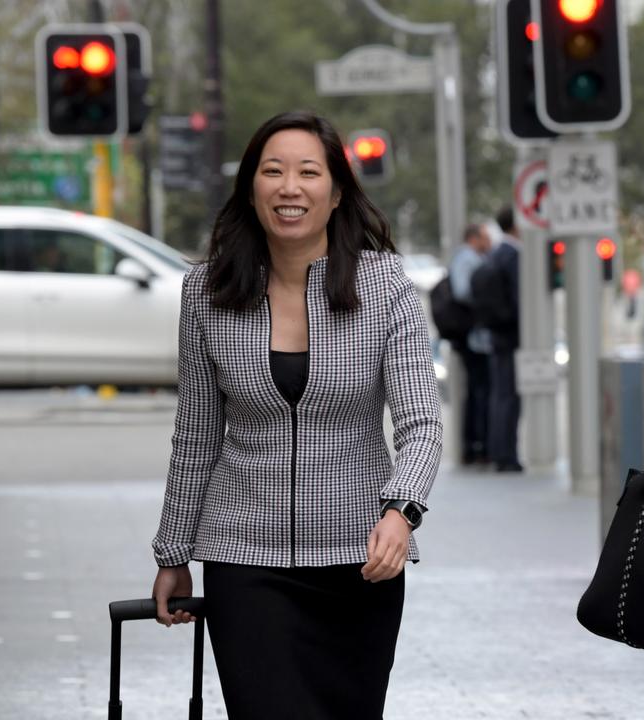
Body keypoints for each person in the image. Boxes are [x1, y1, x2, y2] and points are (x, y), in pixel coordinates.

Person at [148, 111, 443, 718]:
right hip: (243, 560)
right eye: (273, 171)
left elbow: (421, 424)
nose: (290, 188)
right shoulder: (206, 292)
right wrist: (173, 553)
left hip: (359, 560)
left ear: (336, 193)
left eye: (309, 173)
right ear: (251, 188)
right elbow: (197, 434)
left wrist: (401, 511)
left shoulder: (386, 287)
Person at [448, 223, 494, 465]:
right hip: (473, 337)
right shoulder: (467, 259)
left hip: (474, 336)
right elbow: (463, 290)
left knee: (478, 391)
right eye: (485, 237)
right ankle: (475, 445)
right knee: (479, 391)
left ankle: (475, 444)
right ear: (474, 238)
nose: (489, 242)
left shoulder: (469, 258)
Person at [485, 205, 522, 473]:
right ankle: (507, 456)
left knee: (500, 395)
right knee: (509, 397)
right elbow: (519, 298)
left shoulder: (495, 254)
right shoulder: (512, 255)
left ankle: (499, 452)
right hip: (511, 336)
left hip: (496, 334)